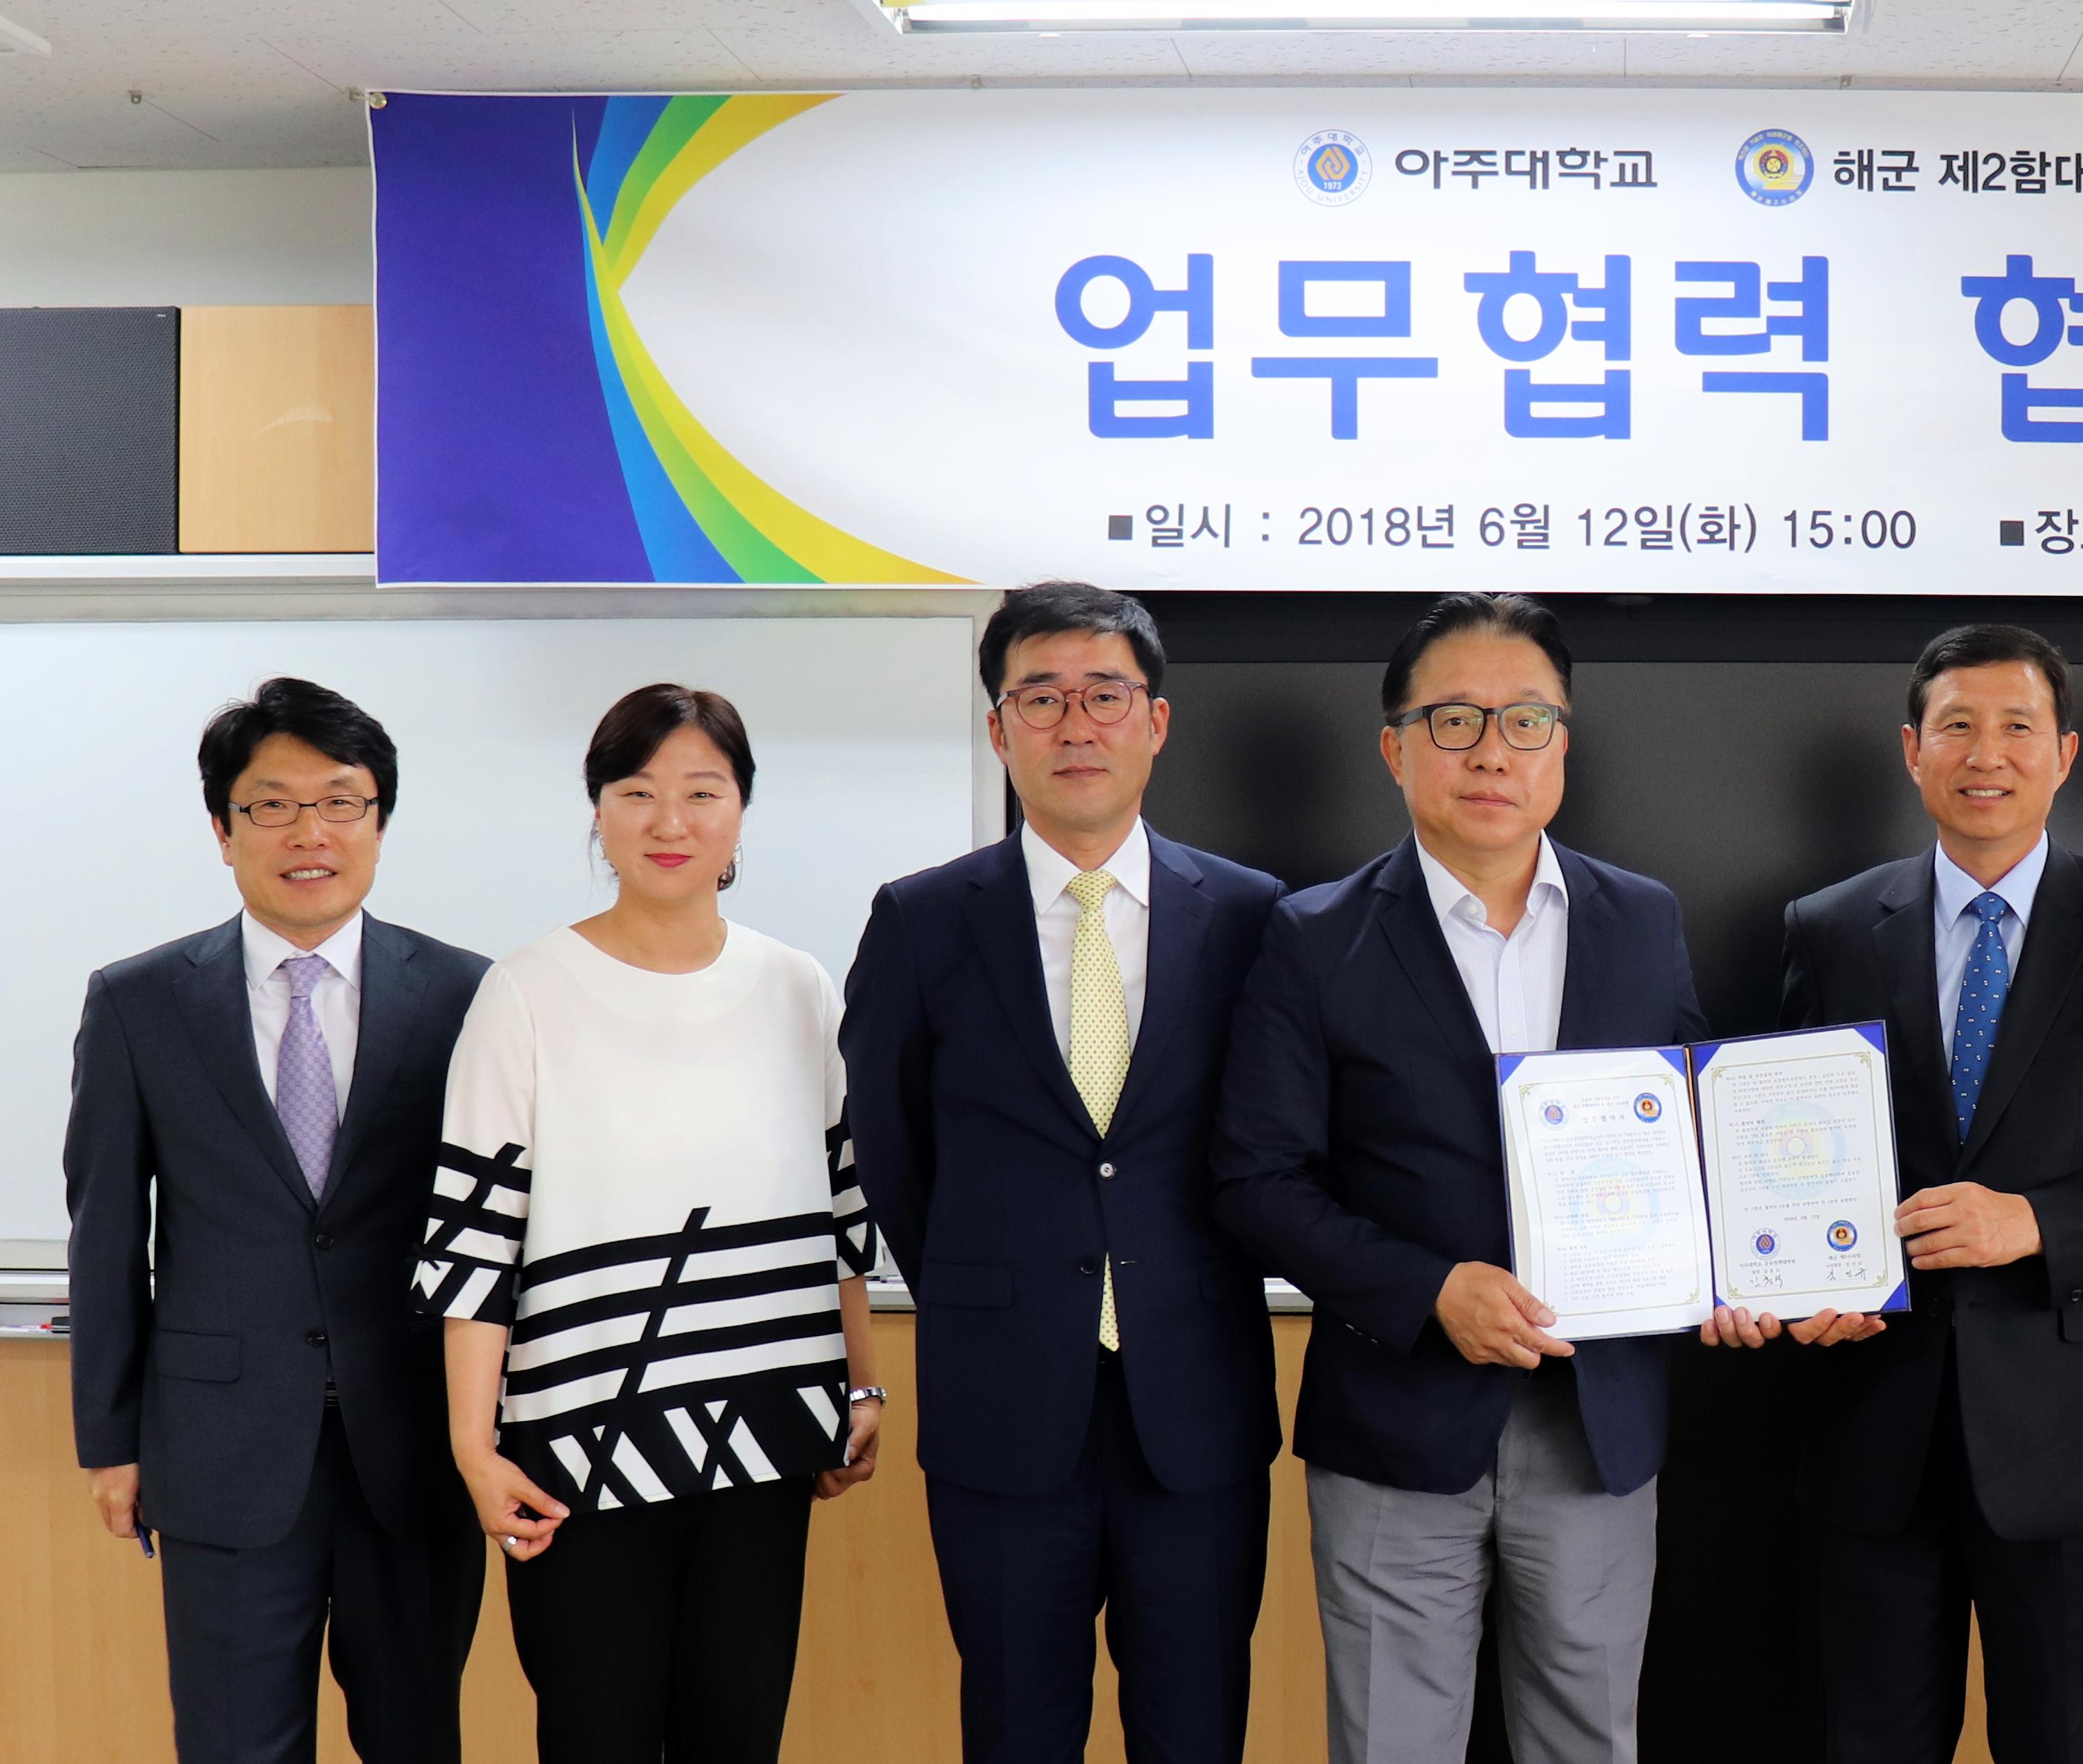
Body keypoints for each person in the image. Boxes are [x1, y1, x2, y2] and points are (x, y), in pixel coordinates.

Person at [1211, 592, 1745, 1764]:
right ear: (1393, 746)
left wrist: (1747, 1263)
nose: (1492, 751)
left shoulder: (1639, 919)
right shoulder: (1313, 936)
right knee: (1392, 1746)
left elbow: (1689, 1143)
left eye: (1525, 720)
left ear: (1564, 745)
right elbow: (1259, 1179)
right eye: (1454, 720)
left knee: (1585, 1742)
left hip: (1596, 1418)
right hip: (1396, 1419)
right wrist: (1429, 1289)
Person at [1771, 624, 2083, 1764]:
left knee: (2055, 1743)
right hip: (1870, 1425)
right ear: (1911, 750)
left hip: (2061, 1436)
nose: (1987, 754)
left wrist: (2030, 1222)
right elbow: (1782, 1152)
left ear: (2065, 754)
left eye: (2017, 727)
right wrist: (1786, 1275)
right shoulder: (1828, 928)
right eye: (1957, 727)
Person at [842, 582, 1288, 1764]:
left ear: (1157, 721)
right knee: (1016, 1728)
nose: (1074, 725)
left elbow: (1277, 1138)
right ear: (999, 730)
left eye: (1105, 696)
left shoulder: (1252, 917)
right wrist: (993, 1286)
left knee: (1194, 1729)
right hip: (1002, 1403)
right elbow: (893, 1149)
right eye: (1040, 699)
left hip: (1194, 1399)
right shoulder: (922, 920)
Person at [418, 684, 882, 1764]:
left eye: (701, 793)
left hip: (767, 1434)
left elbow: (840, 1210)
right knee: (598, 1736)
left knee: (737, 1736)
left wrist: (861, 1388)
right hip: (579, 1448)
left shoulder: (799, 987)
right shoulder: (526, 992)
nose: (669, 821)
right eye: (637, 792)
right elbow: (476, 1243)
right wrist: (472, 1448)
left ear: (740, 811)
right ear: (598, 811)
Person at [66, 678, 489, 1764]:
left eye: (341, 802)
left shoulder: (468, 997)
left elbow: (501, 1231)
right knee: (234, 1746)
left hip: (416, 1444)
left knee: (416, 1739)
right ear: (224, 829)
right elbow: (104, 1234)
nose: (311, 833)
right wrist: (111, 1440)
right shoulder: (140, 1002)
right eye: (273, 805)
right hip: (220, 1451)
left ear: (380, 821)